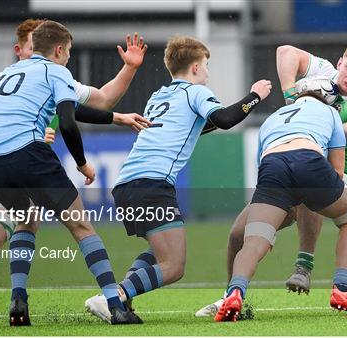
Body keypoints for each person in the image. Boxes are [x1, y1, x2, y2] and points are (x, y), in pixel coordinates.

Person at [0, 19, 150, 320]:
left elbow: (95, 104)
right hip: (28, 156)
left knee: (26, 219)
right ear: (59, 49)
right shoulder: (56, 71)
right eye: (69, 51)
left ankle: (18, 302)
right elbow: (72, 120)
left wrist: (128, 71)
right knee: (81, 226)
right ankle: (115, 305)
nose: (69, 57)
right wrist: (83, 163)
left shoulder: (5, 74)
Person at [82, 35, 272, 323]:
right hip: (151, 184)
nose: (208, 72)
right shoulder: (194, 92)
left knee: (159, 251)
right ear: (195, 68)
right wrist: (254, 96)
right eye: (206, 65)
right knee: (174, 266)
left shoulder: (160, 95)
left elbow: (193, 128)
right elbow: (223, 119)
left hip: (128, 184)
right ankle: (113, 297)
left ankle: (123, 300)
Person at [196, 41, 347, 317]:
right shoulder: (326, 89)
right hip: (314, 167)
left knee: (257, 235)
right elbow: (285, 52)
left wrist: (302, 117)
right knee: (238, 233)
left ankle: (299, 267)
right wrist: (309, 115)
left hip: (278, 169)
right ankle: (339, 288)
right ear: (340, 61)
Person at [214, 77, 347, 322]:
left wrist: (276, 217)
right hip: (308, 160)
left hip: (272, 167)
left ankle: (234, 292)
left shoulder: (273, 117)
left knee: (253, 240)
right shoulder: (329, 113)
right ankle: (342, 289)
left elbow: (265, 170)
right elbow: (337, 172)